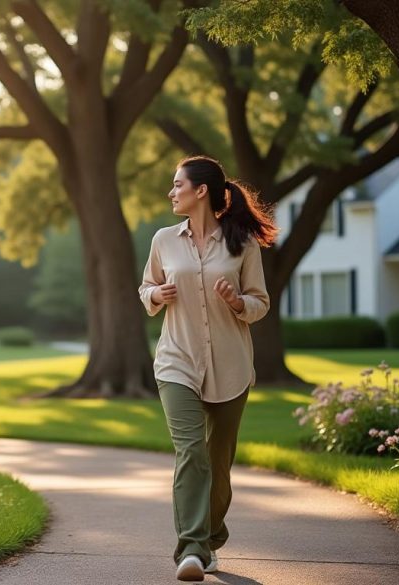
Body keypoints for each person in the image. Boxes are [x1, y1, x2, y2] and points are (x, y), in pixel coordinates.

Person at [138, 155, 277, 582]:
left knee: (219, 462)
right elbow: (145, 287)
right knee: (191, 451)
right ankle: (192, 551)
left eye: (177, 184)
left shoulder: (242, 244)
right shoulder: (164, 239)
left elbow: (260, 302)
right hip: (177, 361)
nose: (171, 192)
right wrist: (157, 294)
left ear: (201, 191)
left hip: (231, 365)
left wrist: (238, 303)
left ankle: (212, 535)